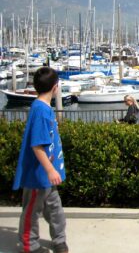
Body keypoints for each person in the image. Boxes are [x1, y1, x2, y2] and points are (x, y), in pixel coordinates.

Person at [12, 67, 69, 253]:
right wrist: (51, 170)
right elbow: (37, 145)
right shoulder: (40, 111)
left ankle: (60, 240)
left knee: (55, 209)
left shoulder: (43, 108)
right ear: (55, 87)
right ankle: (30, 245)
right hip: (39, 175)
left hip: (47, 174)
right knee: (32, 211)